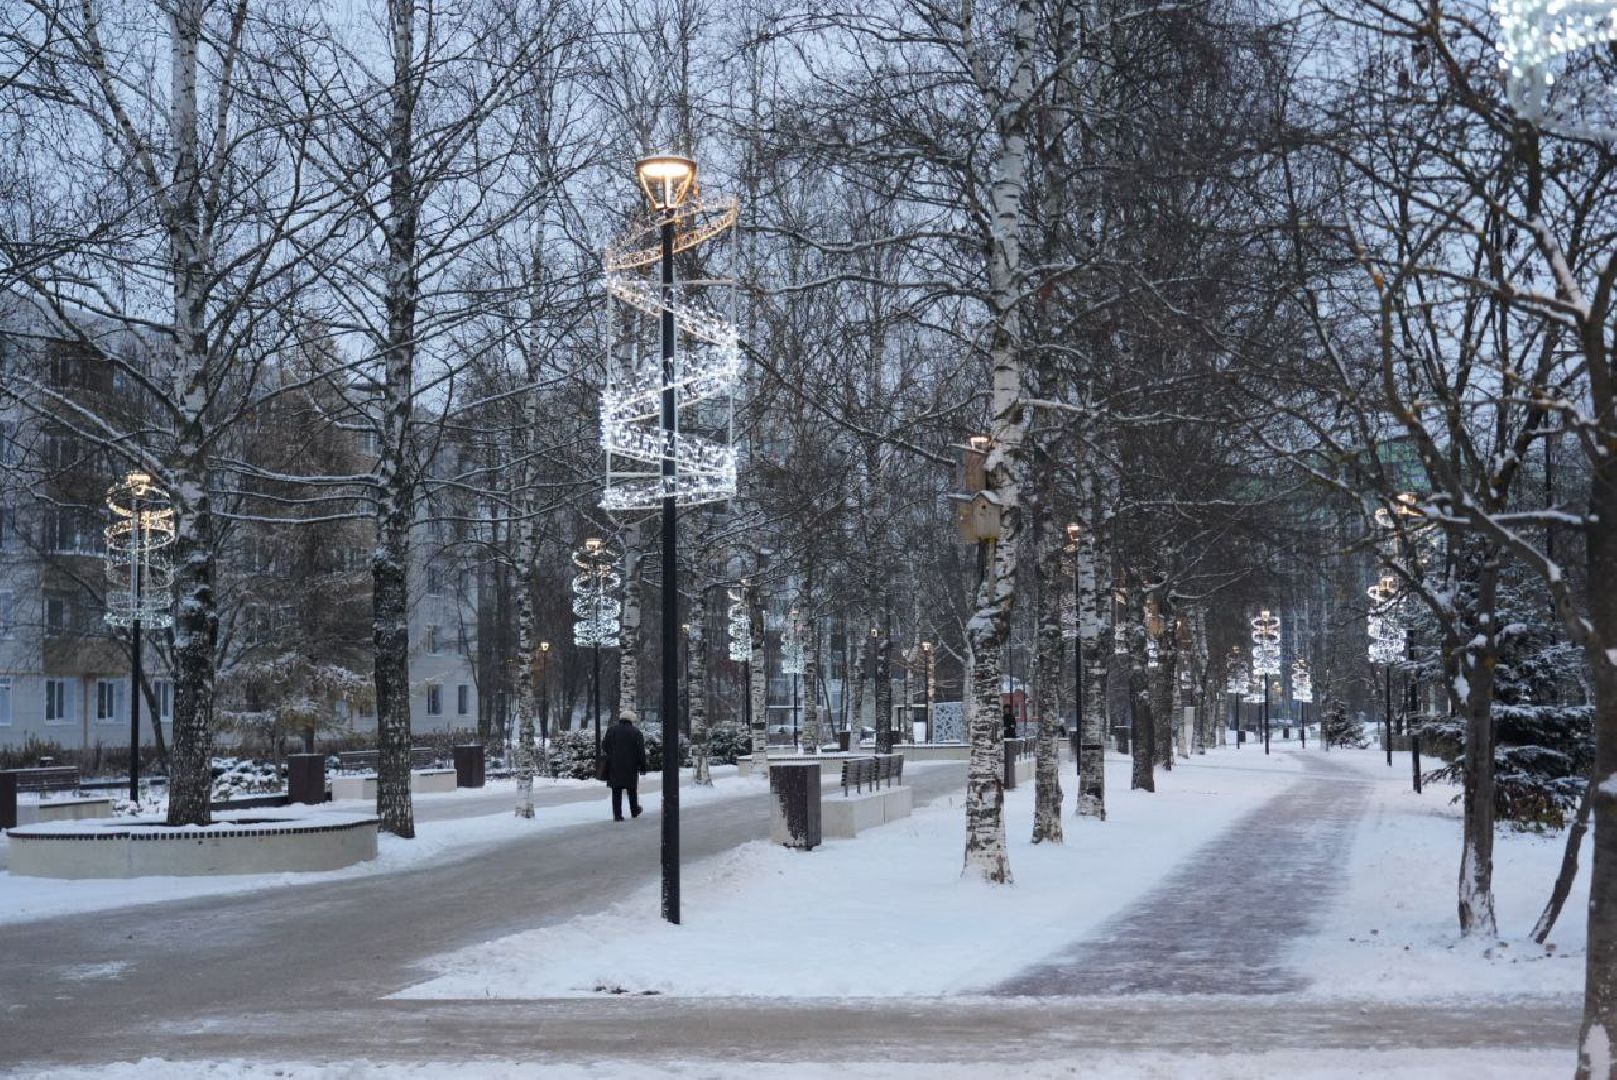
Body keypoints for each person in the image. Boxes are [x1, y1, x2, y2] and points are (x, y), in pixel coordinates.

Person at [600, 715, 647, 821]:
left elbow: (604, 746)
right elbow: (641, 751)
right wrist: (643, 766)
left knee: (616, 791)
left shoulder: (611, 730)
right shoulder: (636, 732)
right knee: (632, 789)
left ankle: (617, 815)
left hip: (614, 764)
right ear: (631, 720)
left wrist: (613, 754)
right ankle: (634, 810)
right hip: (631, 765)